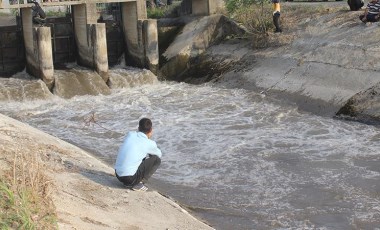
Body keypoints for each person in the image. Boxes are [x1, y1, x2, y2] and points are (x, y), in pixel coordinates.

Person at [114, 118, 162, 191]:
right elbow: (159, 155)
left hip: (118, 174)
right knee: (156, 159)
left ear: (138, 128)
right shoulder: (149, 143)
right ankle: (139, 183)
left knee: (138, 153)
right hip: (129, 179)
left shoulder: (130, 134)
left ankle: (132, 181)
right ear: (151, 130)